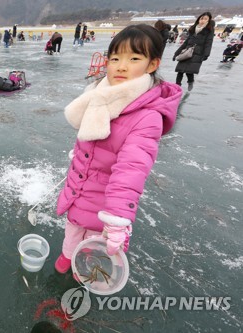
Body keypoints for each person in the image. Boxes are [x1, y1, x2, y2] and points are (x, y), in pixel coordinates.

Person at [54, 24, 182, 277]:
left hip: (106, 203)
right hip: (80, 191)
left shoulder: (147, 117)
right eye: (115, 58)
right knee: (72, 230)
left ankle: (84, 265)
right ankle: (68, 254)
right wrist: (78, 157)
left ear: (152, 64)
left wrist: (116, 220)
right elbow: (90, 139)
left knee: (93, 244)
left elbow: (130, 171)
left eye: (134, 58)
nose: (121, 66)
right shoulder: (101, 96)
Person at [173, 12, 214, 91]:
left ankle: (190, 81)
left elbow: (209, 43)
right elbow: (186, 42)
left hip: (197, 53)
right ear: (198, 19)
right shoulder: (193, 29)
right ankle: (177, 86)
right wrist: (177, 53)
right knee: (180, 70)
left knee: (189, 71)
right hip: (187, 51)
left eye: (205, 19)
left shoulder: (209, 31)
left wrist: (206, 54)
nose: (202, 20)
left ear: (208, 21)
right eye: (201, 18)